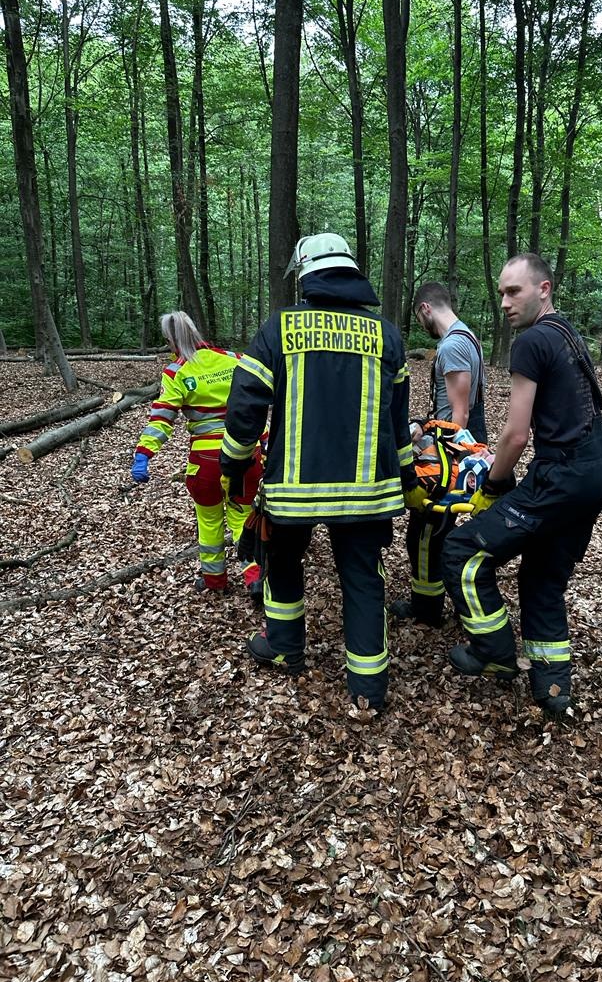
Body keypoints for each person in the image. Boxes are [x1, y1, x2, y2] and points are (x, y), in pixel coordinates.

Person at [220, 233, 418, 711]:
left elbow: (246, 405)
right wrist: (408, 482)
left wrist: (234, 462)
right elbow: (398, 425)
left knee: (284, 565)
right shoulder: (388, 336)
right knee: (364, 578)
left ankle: (286, 650)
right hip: (368, 494)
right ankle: (368, 688)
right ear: (351, 272)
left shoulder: (278, 329)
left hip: (293, 493)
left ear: (306, 274)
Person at [442, 254, 602, 715]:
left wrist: (493, 487)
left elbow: (516, 434)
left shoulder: (532, 341)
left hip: (564, 473)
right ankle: (553, 689)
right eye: (501, 292)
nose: (504, 301)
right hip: (598, 469)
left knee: (462, 552)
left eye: (513, 291)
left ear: (544, 289)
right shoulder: (564, 332)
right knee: (542, 576)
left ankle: (494, 652)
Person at [130, 311, 265, 598]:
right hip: (244, 455)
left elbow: (161, 419)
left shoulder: (177, 372)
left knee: (210, 521)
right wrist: (264, 441)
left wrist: (144, 453)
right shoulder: (233, 358)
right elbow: (255, 405)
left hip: (206, 463)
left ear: (171, 340)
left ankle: (215, 580)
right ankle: (254, 575)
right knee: (243, 517)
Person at [389, 281, 487, 628]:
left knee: (426, 533)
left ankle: (428, 611)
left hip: (451, 457)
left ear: (425, 308)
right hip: (451, 450)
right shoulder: (467, 338)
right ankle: (429, 603)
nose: (421, 326)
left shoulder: (453, 346)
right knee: (428, 531)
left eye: (419, 318)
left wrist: (436, 454)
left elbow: (458, 417)